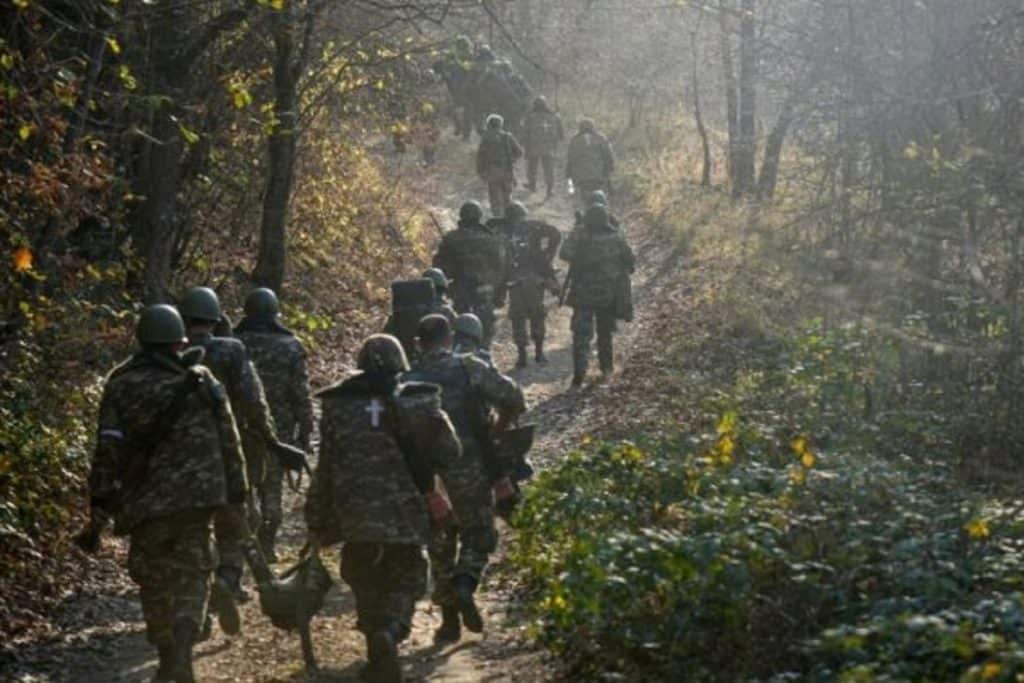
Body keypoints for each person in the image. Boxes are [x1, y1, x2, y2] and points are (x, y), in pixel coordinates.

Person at [85, 304, 247, 683]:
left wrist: (100, 501)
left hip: (145, 500)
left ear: (141, 340)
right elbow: (230, 437)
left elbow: (108, 446)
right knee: (194, 571)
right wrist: (237, 493)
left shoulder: (121, 383)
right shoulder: (202, 379)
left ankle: (167, 651)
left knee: (153, 577)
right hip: (199, 496)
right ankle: (186, 646)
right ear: (180, 340)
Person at [306, 334, 460, 682]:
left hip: (355, 510)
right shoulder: (421, 400)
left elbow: (326, 465)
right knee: (407, 576)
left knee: (363, 575)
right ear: (401, 362)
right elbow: (450, 453)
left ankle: (376, 644)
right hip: (406, 508)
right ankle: (390, 630)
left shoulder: (337, 404)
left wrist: (316, 517)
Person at [178, 286, 301, 627]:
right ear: (216, 319)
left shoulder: (171, 354)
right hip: (236, 450)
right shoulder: (231, 351)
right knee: (240, 522)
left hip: (182, 459)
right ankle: (228, 581)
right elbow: (254, 402)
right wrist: (274, 442)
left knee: (193, 532)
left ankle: (197, 609)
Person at [404, 315, 526, 644]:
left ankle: (448, 624)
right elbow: (514, 397)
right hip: (471, 468)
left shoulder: (405, 379)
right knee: (480, 534)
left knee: (441, 545)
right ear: (448, 339)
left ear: (418, 344)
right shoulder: (469, 367)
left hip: (429, 478)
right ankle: (465, 581)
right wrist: (499, 427)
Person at [233, 287, 314, 564]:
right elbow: (300, 394)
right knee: (272, 487)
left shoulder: (232, 343)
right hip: (278, 430)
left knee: (242, 487)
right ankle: (266, 544)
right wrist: (306, 429)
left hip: (238, 427)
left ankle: (244, 546)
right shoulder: (291, 346)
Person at [559, 204, 635, 387]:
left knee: (581, 335)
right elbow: (630, 261)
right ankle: (606, 369)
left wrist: (580, 253)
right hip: (608, 294)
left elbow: (564, 253)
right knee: (605, 333)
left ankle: (579, 372)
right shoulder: (616, 237)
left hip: (583, 293)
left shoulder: (580, 234)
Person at [433, 201, 507, 348]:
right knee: (486, 324)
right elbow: (501, 267)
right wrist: (498, 291)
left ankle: (462, 353)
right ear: (479, 216)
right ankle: (484, 355)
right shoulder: (490, 239)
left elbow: (440, 267)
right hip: (485, 289)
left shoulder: (451, 239)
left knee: (461, 324)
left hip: (461, 289)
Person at [501, 201, 562, 368]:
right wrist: (548, 254)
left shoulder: (504, 230)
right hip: (535, 279)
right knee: (537, 315)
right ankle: (539, 353)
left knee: (518, 317)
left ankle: (522, 356)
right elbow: (556, 234)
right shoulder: (534, 227)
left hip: (515, 281)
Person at [476, 113, 523, 218]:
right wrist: (511, 160)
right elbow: (519, 152)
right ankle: (509, 221)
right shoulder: (507, 136)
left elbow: (480, 157)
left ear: (489, 124)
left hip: (493, 172)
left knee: (495, 200)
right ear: (501, 124)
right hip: (507, 171)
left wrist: (481, 172)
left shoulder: (486, 138)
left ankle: (498, 222)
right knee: (508, 199)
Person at [565, 118, 614, 208]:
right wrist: (609, 169)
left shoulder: (575, 140)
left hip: (581, 177)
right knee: (599, 196)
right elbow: (608, 155)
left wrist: (569, 174)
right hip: (598, 175)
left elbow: (570, 158)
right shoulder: (600, 138)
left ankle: (587, 213)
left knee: (585, 198)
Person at [523, 96, 564, 199]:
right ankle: (550, 189)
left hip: (534, 146)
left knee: (532, 167)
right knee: (549, 169)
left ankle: (532, 184)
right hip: (549, 147)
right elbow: (561, 134)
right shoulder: (554, 117)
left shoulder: (530, 117)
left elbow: (526, 133)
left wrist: (526, 147)